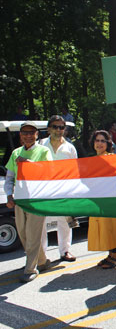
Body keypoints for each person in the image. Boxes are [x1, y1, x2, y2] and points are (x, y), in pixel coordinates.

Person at [4, 121, 53, 282]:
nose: (28, 135)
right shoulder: (16, 153)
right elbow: (10, 177)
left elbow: (49, 171)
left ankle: (30, 268)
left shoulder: (44, 151)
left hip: (36, 200)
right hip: (20, 199)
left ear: (37, 135)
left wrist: (29, 164)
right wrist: (9, 196)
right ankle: (42, 261)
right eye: (25, 132)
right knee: (24, 234)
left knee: (32, 234)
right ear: (20, 135)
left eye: (31, 132)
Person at [87, 130, 116, 268]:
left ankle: (114, 257)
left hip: (111, 199)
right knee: (104, 227)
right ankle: (110, 255)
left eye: (102, 141)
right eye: (97, 140)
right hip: (98, 199)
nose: (99, 144)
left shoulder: (111, 158)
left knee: (112, 227)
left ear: (108, 144)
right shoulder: (92, 160)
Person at [40, 115, 78, 262]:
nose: (58, 130)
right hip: (44, 190)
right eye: (55, 126)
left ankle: (65, 251)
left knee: (64, 222)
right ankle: (41, 255)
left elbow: (75, 171)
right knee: (41, 223)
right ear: (49, 129)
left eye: (61, 127)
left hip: (64, 190)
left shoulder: (70, 148)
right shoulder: (40, 145)